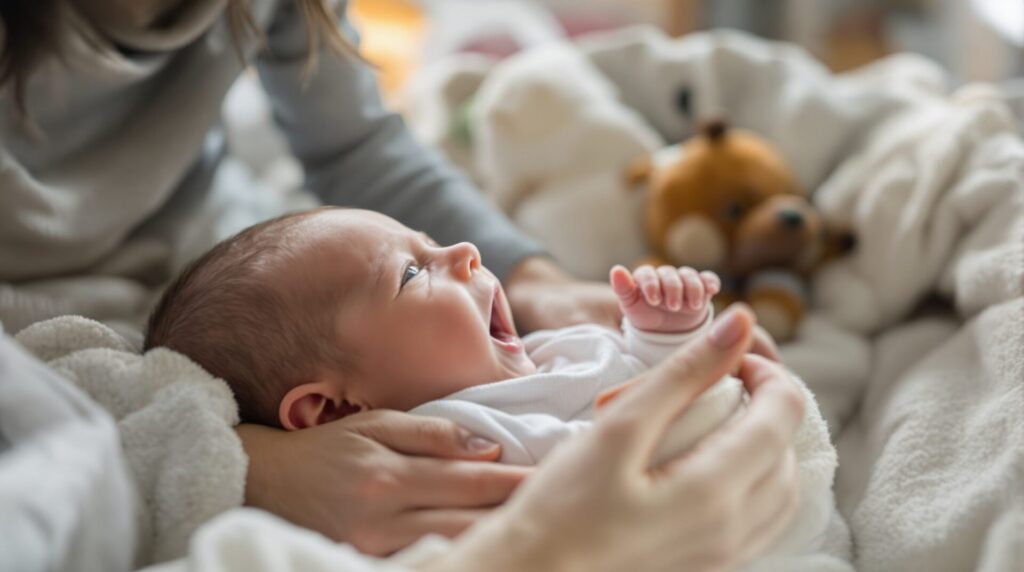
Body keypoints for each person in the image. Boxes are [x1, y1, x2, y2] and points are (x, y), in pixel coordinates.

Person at [0, 0, 803, 564]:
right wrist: (251, 464)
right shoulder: (450, 430)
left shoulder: (528, 353)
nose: (465, 255)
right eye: (422, 268)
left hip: (242, 254)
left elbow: (356, 145)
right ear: (333, 410)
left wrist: (547, 282)